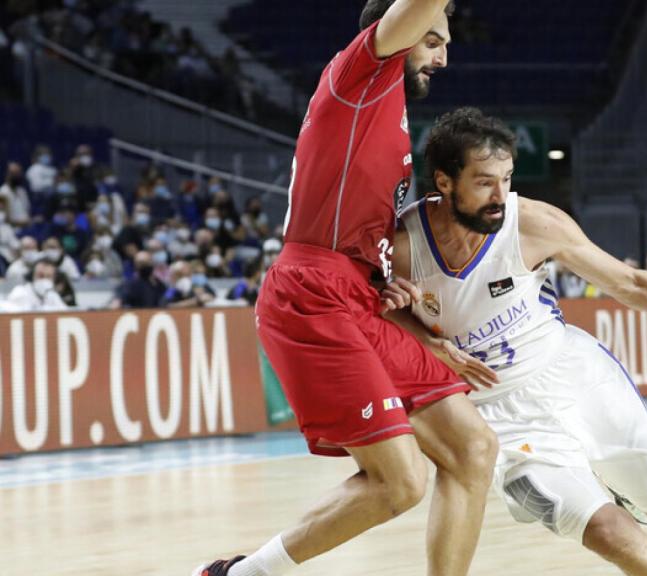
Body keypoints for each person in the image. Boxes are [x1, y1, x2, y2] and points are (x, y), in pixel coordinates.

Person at [388, 108, 647, 576]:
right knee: (611, 534)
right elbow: (380, 318)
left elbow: (631, 284)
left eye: (507, 179)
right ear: (445, 183)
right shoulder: (404, 246)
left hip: (576, 375)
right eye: (485, 182)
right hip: (501, 417)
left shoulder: (534, 222)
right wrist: (429, 345)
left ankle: (611, 487)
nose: (500, 195)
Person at [194, 3, 499, 576]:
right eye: (432, 39)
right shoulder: (360, 76)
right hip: (312, 295)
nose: (443, 56)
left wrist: (384, 280)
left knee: (472, 449)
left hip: (356, 296)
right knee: (401, 481)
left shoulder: (386, 114)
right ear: (398, 30)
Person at [3, 259, 67, 312]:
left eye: (48, 277)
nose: (44, 280)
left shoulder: (53, 295)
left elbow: (66, 314)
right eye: (40, 276)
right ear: (32, 276)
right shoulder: (20, 291)